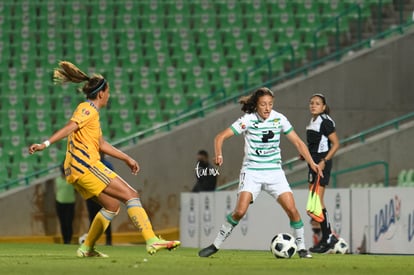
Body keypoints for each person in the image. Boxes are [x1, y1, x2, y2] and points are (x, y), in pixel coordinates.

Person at [29, 61, 180, 257]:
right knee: (131, 195)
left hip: (76, 172)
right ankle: (151, 240)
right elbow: (70, 126)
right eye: (108, 92)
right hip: (86, 166)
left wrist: (127, 158)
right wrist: (45, 143)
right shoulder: (87, 109)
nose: (109, 95)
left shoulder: (92, 115)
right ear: (101, 93)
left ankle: (86, 248)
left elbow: (102, 145)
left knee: (112, 206)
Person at [198, 87, 321, 258]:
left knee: (292, 209)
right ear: (256, 105)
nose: (267, 108)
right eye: (263, 104)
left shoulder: (279, 119)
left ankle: (301, 248)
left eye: (270, 104)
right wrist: (218, 154)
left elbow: (299, 143)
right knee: (239, 212)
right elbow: (220, 137)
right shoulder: (247, 120)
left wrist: (312, 163)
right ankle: (215, 245)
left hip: (274, 172)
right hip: (252, 172)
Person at [305, 93, 340, 253]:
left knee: (317, 202)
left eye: (317, 103)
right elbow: (314, 144)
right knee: (314, 205)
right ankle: (326, 238)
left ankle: (328, 237)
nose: (313, 105)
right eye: (312, 103)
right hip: (313, 164)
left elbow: (336, 144)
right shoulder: (313, 121)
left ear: (324, 106)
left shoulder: (324, 121)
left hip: (321, 164)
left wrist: (323, 161)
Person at [55, 163, 76, 244]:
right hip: (60, 203)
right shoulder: (57, 180)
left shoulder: (71, 179)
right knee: (62, 223)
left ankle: (69, 240)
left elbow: (76, 191)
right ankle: (65, 240)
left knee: (69, 222)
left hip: (70, 203)